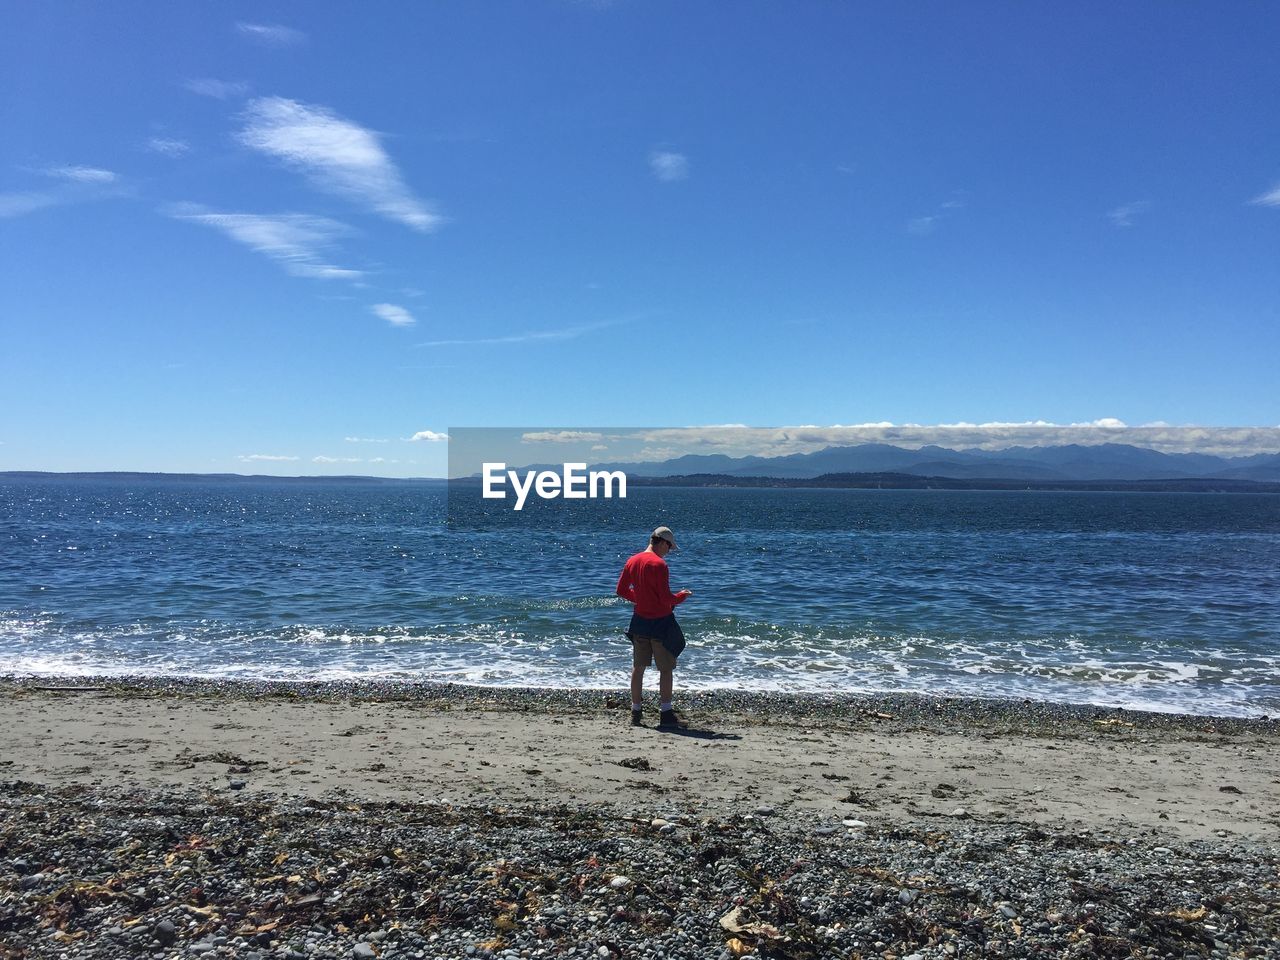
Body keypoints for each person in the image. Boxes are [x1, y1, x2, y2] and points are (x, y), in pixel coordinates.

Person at [615, 525, 692, 728]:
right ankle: (666, 713)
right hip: (660, 623)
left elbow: (621, 590)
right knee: (665, 668)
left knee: (638, 667)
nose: (669, 551)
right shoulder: (659, 565)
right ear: (663, 543)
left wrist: (641, 600)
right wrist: (681, 597)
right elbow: (666, 599)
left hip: (639, 621)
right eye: (670, 547)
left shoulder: (633, 560)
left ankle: (636, 711)